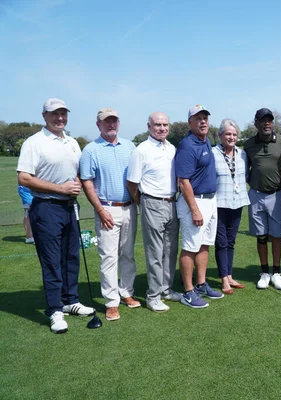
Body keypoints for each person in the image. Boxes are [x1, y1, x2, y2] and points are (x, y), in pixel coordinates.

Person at [16, 98, 94, 334]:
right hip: (46, 207)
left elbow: (78, 172)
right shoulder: (34, 142)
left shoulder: (71, 141)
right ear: (44, 116)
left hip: (70, 206)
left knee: (71, 256)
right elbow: (24, 178)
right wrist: (61, 188)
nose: (59, 118)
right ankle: (55, 309)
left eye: (63, 114)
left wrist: (76, 184)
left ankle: (70, 300)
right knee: (51, 260)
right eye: (54, 114)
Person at [80, 108, 138, 321]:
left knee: (128, 254)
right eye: (106, 121)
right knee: (108, 257)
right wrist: (100, 210)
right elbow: (87, 181)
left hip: (130, 207)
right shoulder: (90, 150)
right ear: (99, 125)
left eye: (114, 121)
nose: (111, 124)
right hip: (107, 209)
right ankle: (111, 302)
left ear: (118, 123)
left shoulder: (130, 146)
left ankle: (127, 292)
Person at [127, 112, 181, 313]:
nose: (162, 128)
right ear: (149, 126)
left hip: (171, 202)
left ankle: (167, 290)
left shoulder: (172, 148)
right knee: (155, 252)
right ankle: (153, 295)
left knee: (170, 250)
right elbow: (132, 183)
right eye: (157, 124)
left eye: (165, 124)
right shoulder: (141, 150)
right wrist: (143, 203)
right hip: (152, 202)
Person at [176, 104, 223, 308]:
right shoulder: (187, 145)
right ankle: (188, 291)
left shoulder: (206, 141)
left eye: (205, 118)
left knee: (204, 244)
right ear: (190, 122)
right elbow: (183, 181)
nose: (203, 121)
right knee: (190, 247)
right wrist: (194, 209)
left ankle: (201, 283)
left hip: (210, 200)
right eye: (198, 118)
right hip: (194, 202)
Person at [243, 108, 281, 290]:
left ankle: (276, 272)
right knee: (261, 236)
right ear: (256, 123)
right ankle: (264, 272)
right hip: (256, 195)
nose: (267, 123)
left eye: (269, 120)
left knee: (277, 235)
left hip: (277, 194)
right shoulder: (248, 145)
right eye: (263, 120)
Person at [212, 119, 250, 294]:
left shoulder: (242, 154)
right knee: (221, 241)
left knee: (231, 242)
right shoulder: (213, 153)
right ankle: (224, 279)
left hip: (237, 202)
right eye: (228, 134)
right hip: (219, 203)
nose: (231, 137)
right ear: (220, 135)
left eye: (234, 134)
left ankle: (229, 275)